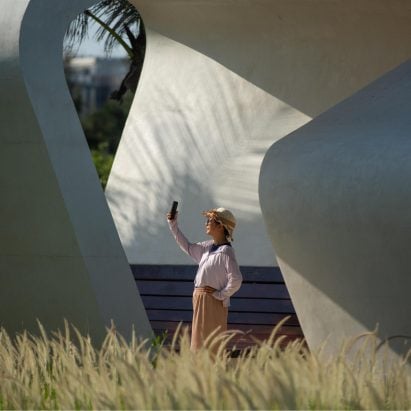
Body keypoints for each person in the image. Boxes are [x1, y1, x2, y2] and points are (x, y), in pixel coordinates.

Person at [167, 207, 243, 352]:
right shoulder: (208, 247)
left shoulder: (226, 251)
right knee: (198, 343)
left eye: (210, 220)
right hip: (200, 298)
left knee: (209, 345)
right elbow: (187, 247)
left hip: (212, 301)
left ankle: (210, 373)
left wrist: (220, 294)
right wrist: (173, 224)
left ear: (220, 225)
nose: (206, 223)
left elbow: (237, 279)